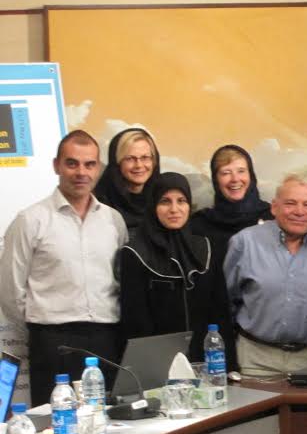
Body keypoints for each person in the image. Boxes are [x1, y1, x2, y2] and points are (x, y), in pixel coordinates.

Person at [0, 130, 127, 405]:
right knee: (54, 430)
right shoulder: (30, 220)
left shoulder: (113, 221)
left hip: (105, 340)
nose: (81, 172)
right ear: (56, 165)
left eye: (89, 164)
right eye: (72, 163)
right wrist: (39, 333)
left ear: (98, 168)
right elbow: (11, 292)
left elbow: (122, 281)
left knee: (109, 426)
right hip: (52, 343)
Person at [224, 174, 307, 376]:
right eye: (291, 203)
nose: (299, 212)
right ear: (274, 207)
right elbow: (227, 300)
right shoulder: (244, 242)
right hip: (255, 358)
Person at [118, 172, 233, 367]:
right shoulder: (135, 253)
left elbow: (220, 312)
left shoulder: (204, 248)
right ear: (153, 205)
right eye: (165, 201)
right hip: (158, 365)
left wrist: (228, 367)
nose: (174, 209)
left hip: (206, 360)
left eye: (181, 201)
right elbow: (136, 325)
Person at [191, 144, 273, 246]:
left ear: (250, 175)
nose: (235, 179)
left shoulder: (273, 218)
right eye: (226, 173)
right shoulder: (199, 225)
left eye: (241, 171)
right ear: (216, 180)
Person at [94, 127, 160, 235]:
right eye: (130, 158)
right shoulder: (100, 207)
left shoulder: (163, 201)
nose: (139, 165)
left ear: (154, 160)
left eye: (145, 157)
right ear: (117, 162)